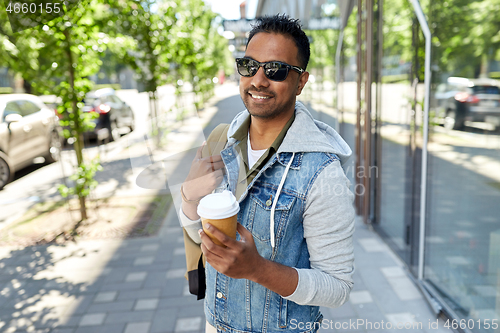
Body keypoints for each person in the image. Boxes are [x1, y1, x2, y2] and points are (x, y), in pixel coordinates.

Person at [180, 14, 355, 333]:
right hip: (214, 324)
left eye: (275, 70)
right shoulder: (220, 141)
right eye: (249, 65)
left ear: (300, 81)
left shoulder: (322, 173)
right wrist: (190, 197)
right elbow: (197, 236)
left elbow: (337, 288)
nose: (258, 80)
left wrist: (258, 269)